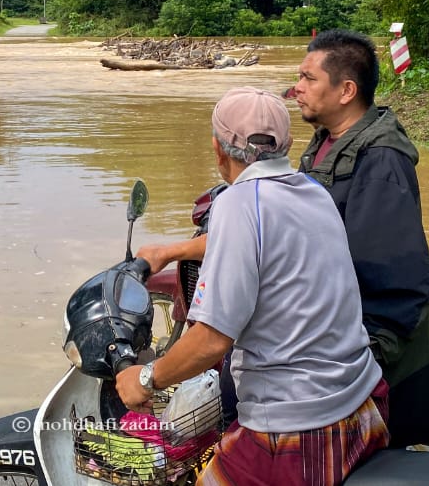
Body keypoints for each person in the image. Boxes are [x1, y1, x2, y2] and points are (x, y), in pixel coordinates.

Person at [116, 87, 389, 485]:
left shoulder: (236, 203)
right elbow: (262, 240)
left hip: (297, 426)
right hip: (364, 403)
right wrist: (174, 251)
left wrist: (145, 377)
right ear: (288, 145)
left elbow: (211, 340)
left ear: (217, 148)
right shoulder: (312, 190)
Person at [293, 29, 429, 448]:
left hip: (371, 349)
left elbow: (390, 274)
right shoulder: (328, 139)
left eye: (308, 79)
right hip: (334, 325)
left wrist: (368, 359)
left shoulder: (380, 159)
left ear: (346, 91)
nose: (296, 88)